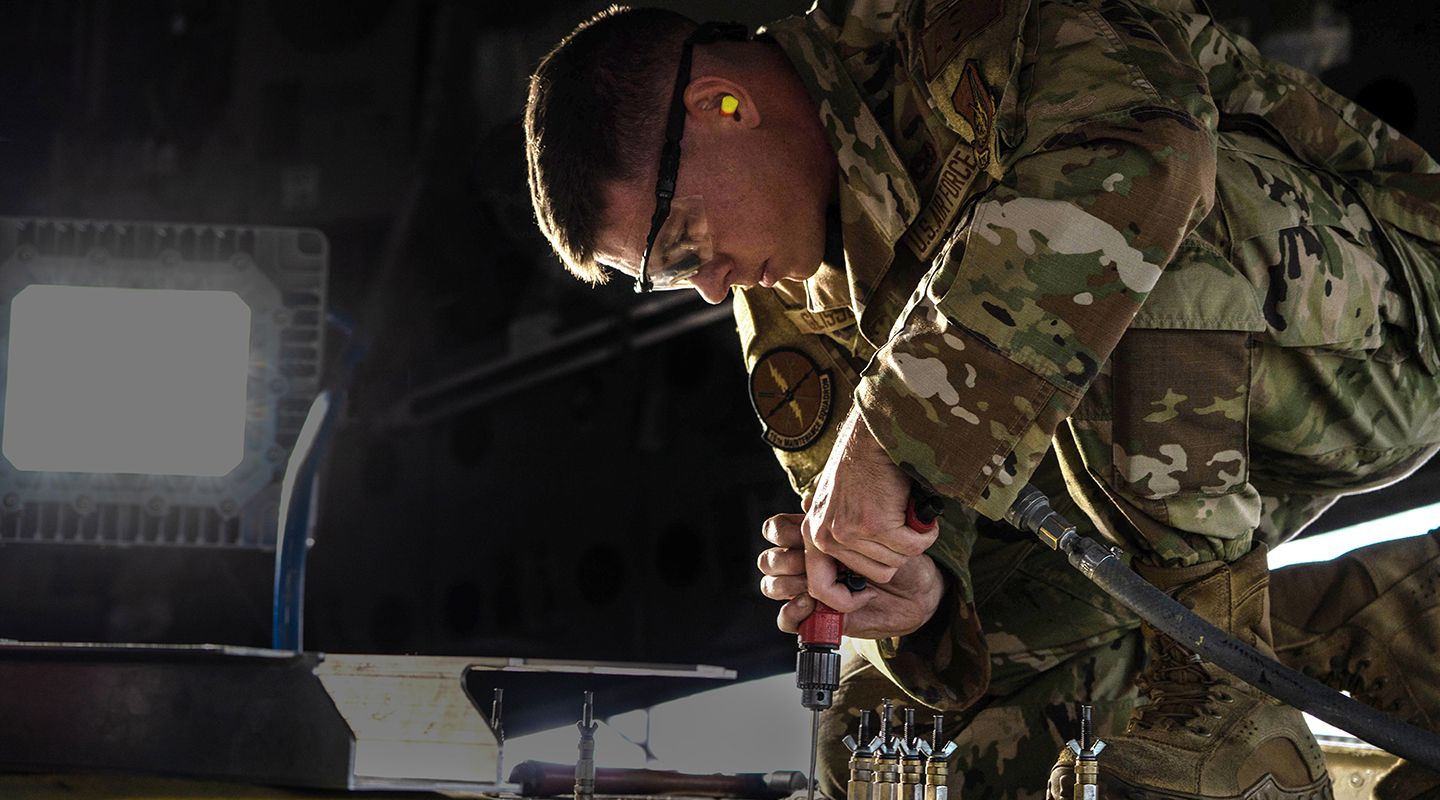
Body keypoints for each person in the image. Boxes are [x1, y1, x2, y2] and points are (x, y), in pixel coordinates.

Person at [522, 1, 1440, 799]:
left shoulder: (950, 18)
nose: (711, 289)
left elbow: (1147, 156)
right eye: (668, 278)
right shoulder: (785, 306)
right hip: (1182, 491)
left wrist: (890, 434)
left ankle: (1231, 707)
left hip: (1382, 339)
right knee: (883, 736)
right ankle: (1371, 618)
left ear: (723, 106)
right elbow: (912, 540)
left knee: (1112, 247)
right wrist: (914, 591)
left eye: (684, 245)